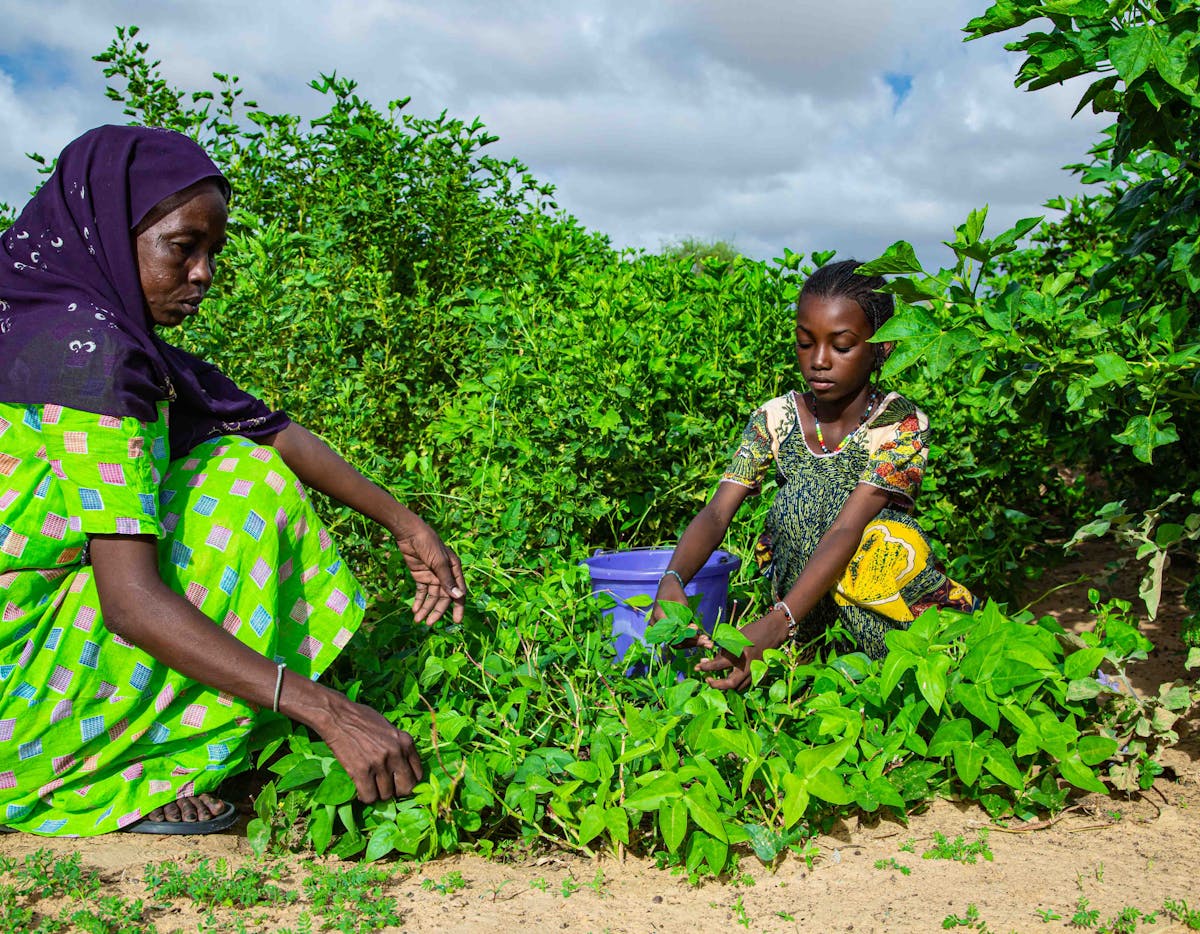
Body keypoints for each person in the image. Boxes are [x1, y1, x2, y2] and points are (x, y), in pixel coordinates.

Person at [0, 125, 466, 835]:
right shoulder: (89, 363)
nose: (203, 275)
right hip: (17, 707)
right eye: (181, 247)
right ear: (106, 230)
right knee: (244, 488)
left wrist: (407, 524)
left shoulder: (34, 310)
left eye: (213, 252)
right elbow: (129, 603)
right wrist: (327, 710)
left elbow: (261, 425)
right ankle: (119, 769)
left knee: (237, 459)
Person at [653, 260, 976, 690]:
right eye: (806, 344)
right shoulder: (776, 418)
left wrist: (775, 622)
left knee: (845, 518)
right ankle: (803, 652)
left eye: (841, 346)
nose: (819, 361)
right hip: (801, 605)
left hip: (875, 597)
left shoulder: (900, 423)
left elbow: (846, 529)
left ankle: (887, 667)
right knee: (792, 506)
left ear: (882, 348)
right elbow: (717, 512)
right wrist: (673, 579)